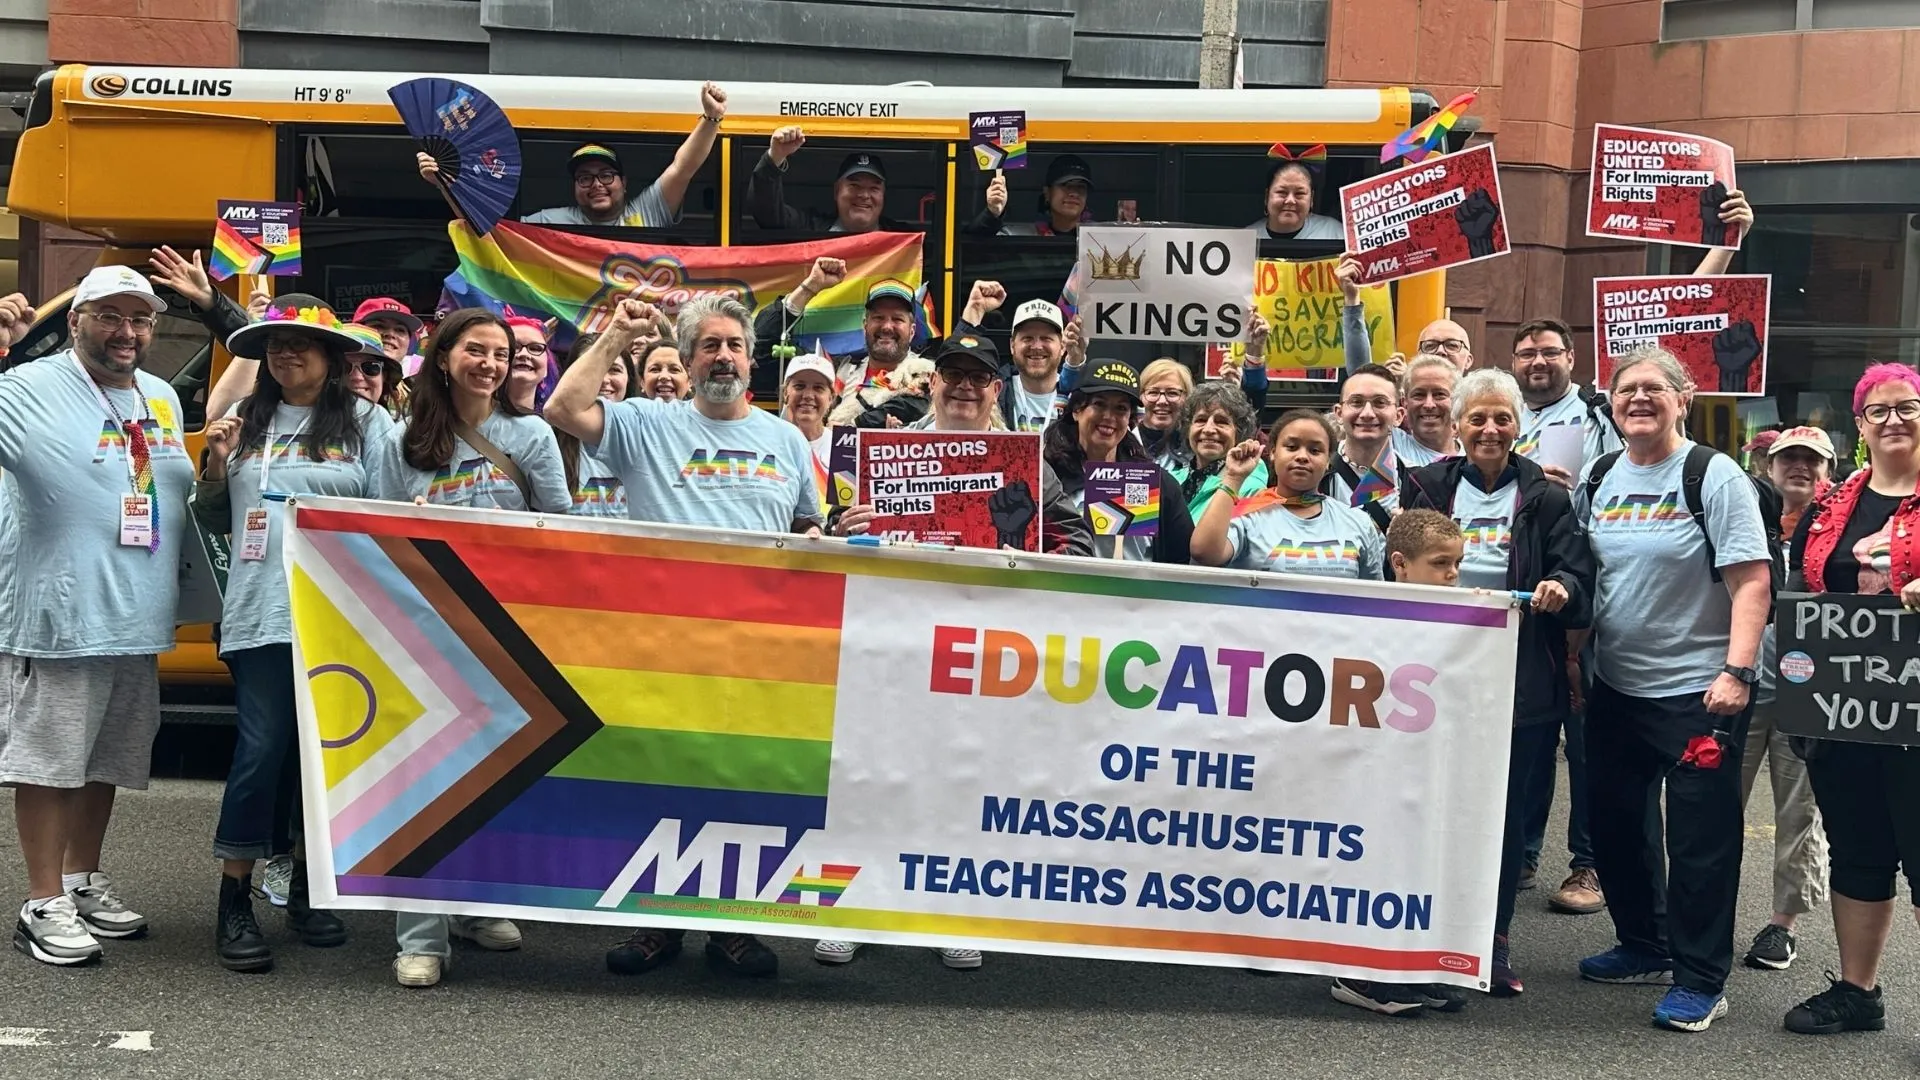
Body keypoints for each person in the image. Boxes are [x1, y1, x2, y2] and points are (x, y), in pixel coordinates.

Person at [546, 292, 826, 978]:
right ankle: (655, 926)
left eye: (734, 345)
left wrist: (828, 538)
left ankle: (732, 927)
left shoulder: (785, 439)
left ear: (751, 361)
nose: (723, 356)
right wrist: (616, 337)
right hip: (665, 646)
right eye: (710, 346)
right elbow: (561, 410)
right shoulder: (645, 422)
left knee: (742, 791)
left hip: (759, 650)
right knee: (659, 789)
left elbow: (804, 529)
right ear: (691, 359)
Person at [191, 296, 397, 972]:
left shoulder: (368, 422)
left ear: (333, 358)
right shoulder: (246, 421)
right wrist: (217, 464)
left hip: (342, 616)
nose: (286, 354)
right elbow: (218, 518)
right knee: (262, 750)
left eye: (301, 344)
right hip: (260, 613)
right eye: (276, 344)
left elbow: (394, 512)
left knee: (321, 758)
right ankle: (234, 899)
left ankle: (309, 886)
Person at [1574, 345, 1771, 1033]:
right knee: (1618, 825)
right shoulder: (1598, 477)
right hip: (1618, 688)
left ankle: (1700, 978)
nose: (1640, 400)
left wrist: (1737, 672)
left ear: (1682, 399)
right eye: (1628, 389)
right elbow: (1590, 582)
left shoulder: (1712, 476)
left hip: (1699, 691)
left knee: (1698, 841)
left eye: (1655, 389)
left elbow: (1751, 580)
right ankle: (1644, 944)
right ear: (1612, 402)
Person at [0, 269, 191, 967]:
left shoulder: (160, 396)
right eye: (109, 316)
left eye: (139, 320)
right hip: (57, 614)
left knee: (104, 759)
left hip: (134, 615)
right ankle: (41, 900)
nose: (127, 333)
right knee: (49, 763)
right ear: (76, 321)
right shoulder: (26, 387)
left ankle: (80, 879)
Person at [378, 307, 564, 986]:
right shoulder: (400, 440)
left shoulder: (533, 436)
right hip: (427, 635)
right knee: (425, 780)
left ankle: (478, 904)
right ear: (443, 354)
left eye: (501, 353)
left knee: (498, 779)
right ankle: (420, 935)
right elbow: (372, 536)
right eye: (476, 351)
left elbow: (559, 530)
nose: (489, 364)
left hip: (508, 633)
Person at [1401, 367, 1595, 998]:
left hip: (1520, 680)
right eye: (1477, 417)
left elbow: (1577, 574)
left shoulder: (1548, 497)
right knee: (1427, 806)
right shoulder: (1424, 488)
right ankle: (1422, 937)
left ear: (1521, 426)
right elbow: (1390, 565)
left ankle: (1493, 940)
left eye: (1502, 417)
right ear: (1457, 426)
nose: (1489, 429)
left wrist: (1562, 588)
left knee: (1504, 816)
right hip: (1430, 676)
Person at [1779, 363, 1920, 1036]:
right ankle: (1857, 992)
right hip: (1849, 711)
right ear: (1860, 425)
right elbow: (1809, 596)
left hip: (1918, 717)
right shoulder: (1835, 504)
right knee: (1858, 849)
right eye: (1879, 410)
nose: (1894, 420)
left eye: (1908, 407)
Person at [1501, 315, 1619, 912]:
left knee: (1586, 735)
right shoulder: (1507, 418)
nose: (1537, 362)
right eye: (1526, 353)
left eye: (1549, 351)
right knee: (1532, 727)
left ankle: (1590, 863)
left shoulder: (1597, 414)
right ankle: (1520, 851)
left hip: (1587, 584)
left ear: (1572, 357)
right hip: (1530, 589)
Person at [1737, 425, 1836, 973]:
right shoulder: (1744, 518)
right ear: (1769, 467)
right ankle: (1707, 911)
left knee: (1800, 810)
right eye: (1788, 459)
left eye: (1811, 461)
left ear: (1827, 471)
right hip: (1743, 685)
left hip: (1812, 695)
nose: (1799, 467)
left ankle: (1783, 925)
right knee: (1717, 802)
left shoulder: (1840, 532)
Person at [418, 84, 727, 228]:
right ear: (574, 187)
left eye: (606, 175)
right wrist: (445, 182)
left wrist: (711, 118)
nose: (596, 185)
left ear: (624, 182)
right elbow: (489, 232)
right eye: (584, 178)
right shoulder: (549, 220)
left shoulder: (647, 212)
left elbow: (683, 168)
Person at [892, 335, 1093, 556]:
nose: (965, 385)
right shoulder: (890, 454)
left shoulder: (1023, 463)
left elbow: (1077, 544)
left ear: (996, 390)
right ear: (933, 382)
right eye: (953, 374)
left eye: (979, 378)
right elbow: (853, 536)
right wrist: (848, 532)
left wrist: (1029, 563)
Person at [1192, 409, 1385, 581]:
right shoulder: (1247, 515)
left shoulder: (1358, 522)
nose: (1302, 456)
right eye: (1291, 447)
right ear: (1273, 453)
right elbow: (1204, 553)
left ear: (1328, 460)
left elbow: (1373, 598)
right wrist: (1233, 477)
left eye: (1315, 450)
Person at [1043, 360, 1195, 564]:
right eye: (1099, 404)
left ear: (1130, 419)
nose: (1109, 416)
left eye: (1121, 409)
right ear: (1077, 409)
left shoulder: (1157, 483)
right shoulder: (1045, 476)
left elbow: (1182, 559)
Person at [754, 258, 923, 406]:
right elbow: (762, 351)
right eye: (878, 318)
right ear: (865, 326)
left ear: (912, 330)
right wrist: (810, 287)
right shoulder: (835, 370)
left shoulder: (930, 377)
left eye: (897, 319)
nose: (887, 326)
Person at [953, 283, 1086, 432]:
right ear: (1012, 345)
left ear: (1062, 347)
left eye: (1046, 338)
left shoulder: (1080, 396)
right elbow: (952, 375)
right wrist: (974, 311)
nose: (1036, 346)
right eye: (1027, 338)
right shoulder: (992, 392)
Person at [747, 129, 903, 234]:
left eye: (874, 188)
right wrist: (776, 156)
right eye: (854, 186)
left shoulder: (905, 240)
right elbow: (768, 214)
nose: (864, 195)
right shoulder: (811, 229)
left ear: (883, 195)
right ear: (837, 191)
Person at [553, 332, 629, 518]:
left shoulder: (652, 438)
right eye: (591, 370)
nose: (603, 379)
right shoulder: (547, 439)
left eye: (615, 369)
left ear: (630, 378)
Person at [1322, 364, 1405, 528]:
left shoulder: (1415, 480)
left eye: (1380, 403)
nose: (1367, 413)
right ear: (1339, 413)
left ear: (1398, 416)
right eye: (1356, 402)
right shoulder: (1318, 472)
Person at [1171, 381, 1267, 520]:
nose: (1209, 429)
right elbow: (1141, 538)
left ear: (1239, 432)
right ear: (1188, 428)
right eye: (1201, 420)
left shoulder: (1251, 489)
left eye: (1221, 421)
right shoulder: (1170, 479)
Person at [965, 154, 1094, 237]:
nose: (1073, 193)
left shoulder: (1098, 237)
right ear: (1047, 193)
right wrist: (992, 212)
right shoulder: (1016, 235)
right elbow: (971, 248)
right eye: (1066, 185)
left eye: (1080, 187)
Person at [780, 351, 838, 518]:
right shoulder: (769, 443)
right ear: (786, 393)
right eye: (799, 386)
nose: (808, 395)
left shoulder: (844, 448)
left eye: (818, 388)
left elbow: (846, 507)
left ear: (831, 398)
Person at [1395, 355, 1463, 466]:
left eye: (1439, 394)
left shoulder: (1474, 452)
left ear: (1457, 401)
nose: (1429, 405)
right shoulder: (1393, 447)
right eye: (1419, 395)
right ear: (1404, 403)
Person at [1253, 159, 1342, 240]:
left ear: (1311, 199)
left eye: (1299, 193)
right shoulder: (1248, 237)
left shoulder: (1333, 231)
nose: (1290, 200)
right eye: (1282, 192)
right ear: (1267, 196)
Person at [1137, 359, 1195, 469]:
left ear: (1187, 398)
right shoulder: (1122, 443)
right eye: (1153, 392)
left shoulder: (1196, 446)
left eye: (1172, 393)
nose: (1162, 401)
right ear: (1140, 396)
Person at [1385, 510, 1463, 586]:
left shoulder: (1466, 598)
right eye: (1441, 562)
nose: (1455, 573)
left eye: (1457, 562)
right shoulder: (1376, 598)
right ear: (1400, 563)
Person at [350, 297, 423, 364]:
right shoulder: (339, 371)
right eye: (379, 326)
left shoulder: (423, 371)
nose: (390, 334)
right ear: (356, 331)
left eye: (400, 330)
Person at [504, 314, 551, 413]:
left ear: (546, 367)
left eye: (535, 348)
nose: (524, 354)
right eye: (514, 346)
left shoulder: (558, 424)